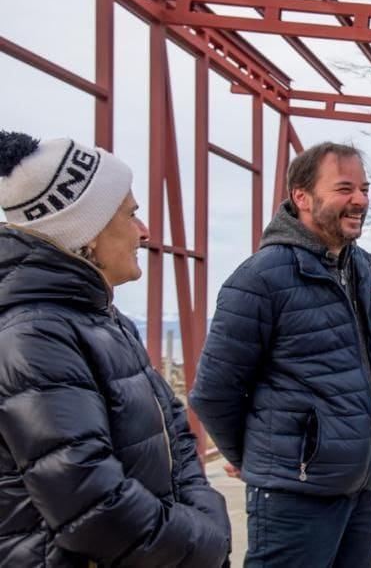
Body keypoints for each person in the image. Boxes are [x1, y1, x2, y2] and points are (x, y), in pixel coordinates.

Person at [0, 131, 231, 566]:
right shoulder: (34, 338)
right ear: (86, 234)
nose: (144, 233)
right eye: (131, 215)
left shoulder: (101, 319)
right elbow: (93, 506)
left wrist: (207, 518)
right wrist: (203, 543)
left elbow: (175, 434)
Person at [190, 142, 371, 567]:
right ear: (302, 197)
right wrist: (257, 459)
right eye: (345, 189)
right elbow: (212, 392)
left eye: (365, 189)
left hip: (356, 489)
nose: (360, 201)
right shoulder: (261, 278)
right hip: (293, 498)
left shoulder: (357, 268)